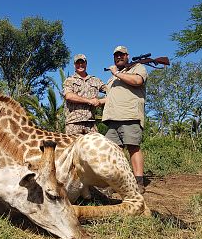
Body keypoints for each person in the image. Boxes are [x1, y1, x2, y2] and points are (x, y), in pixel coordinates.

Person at [102, 46, 148, 193]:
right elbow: (109, 97)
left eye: (121, 55)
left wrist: (116, 73)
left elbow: (137, 81)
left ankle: (138, 182)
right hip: (113, 118)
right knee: (113, 151)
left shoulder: (137, 68)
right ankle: (116, 182)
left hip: (130, 115)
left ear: (127, 56)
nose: (118, 57)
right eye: (116, 55)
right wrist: (95, 101)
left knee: (133, 147)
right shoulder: (112, 78)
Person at [63, 54, 106, 135]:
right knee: (74, 147)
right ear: (74, 65)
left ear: (86, 64)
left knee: (94, 147)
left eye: (82, 62)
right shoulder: (69, 80)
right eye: (77, 63)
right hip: (73, 123)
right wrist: (89, 101)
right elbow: (69, 96)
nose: (80, 65)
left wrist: (100, 101)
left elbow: (112, 92)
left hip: (91, 124)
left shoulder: (95, 80)